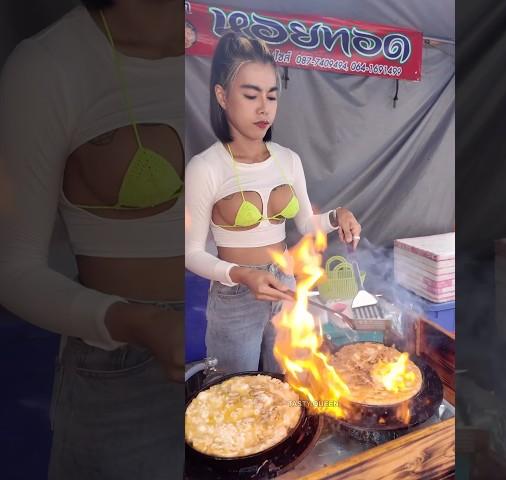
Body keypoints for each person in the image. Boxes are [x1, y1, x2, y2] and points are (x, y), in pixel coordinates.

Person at [0, 0, 184, 478]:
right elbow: (12, 269)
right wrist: (137, 322)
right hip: (125, 364)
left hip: (242, 339)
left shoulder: (234, 44)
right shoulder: (50, 65)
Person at [185, 32, 361, 374]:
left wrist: (338, 216)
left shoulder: (288, 160)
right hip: (235, 294)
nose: (264, 108)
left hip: (285, 285)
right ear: (222, 96)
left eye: (271, 96)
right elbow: (191, 254)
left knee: (288, 387)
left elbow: (307, 226)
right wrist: (241, 274)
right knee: (238, 399)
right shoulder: (206, 167)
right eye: (251, 95)